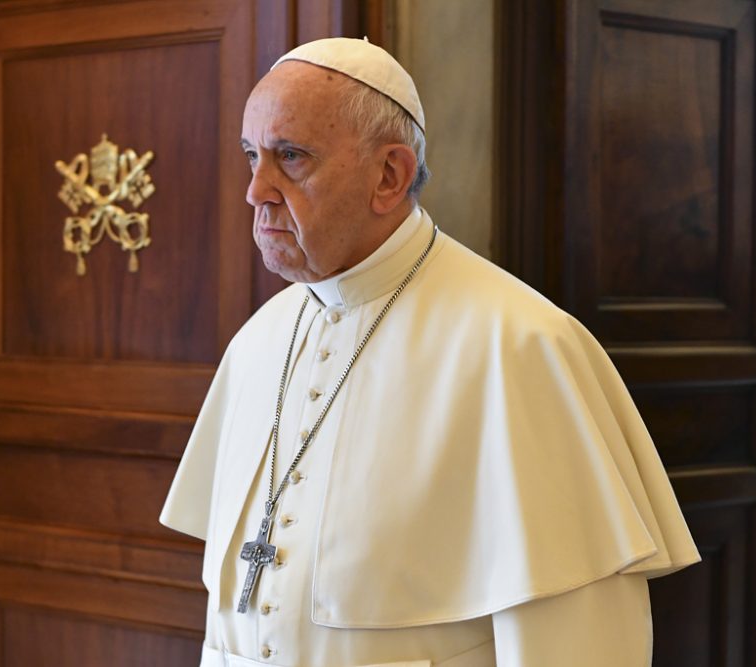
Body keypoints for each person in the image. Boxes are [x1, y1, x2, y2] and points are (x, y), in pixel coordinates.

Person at [161, 37, 699, 667]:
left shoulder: (519, 345)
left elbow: (576, 642)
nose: (256, 191)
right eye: (252, 156)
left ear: (388, 175)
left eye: (291, 157)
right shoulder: (257, 343)